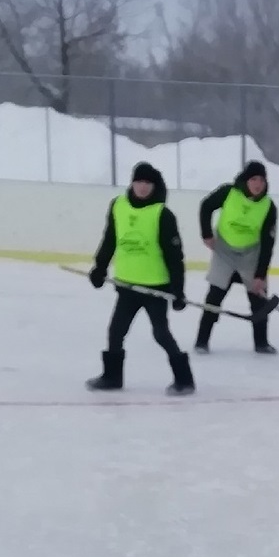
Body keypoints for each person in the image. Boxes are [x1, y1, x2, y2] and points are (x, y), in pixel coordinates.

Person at [84, 161, 194, 396]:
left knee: (161, 334)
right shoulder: (118, 206)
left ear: (155, 186)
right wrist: (100, 267)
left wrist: (178, 289)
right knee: (116, 331)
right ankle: (112, 377)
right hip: (127, 284)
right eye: (139, 182)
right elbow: (110, 239)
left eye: (147, 183)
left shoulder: (163, 215)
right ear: (132, 183)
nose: (142, 187)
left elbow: (175, 256)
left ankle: (184, 379)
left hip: (155, 286)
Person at [196, 160, 278, 355]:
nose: (258, 184)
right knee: (214, 296)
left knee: (258, 299)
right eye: (254, 179)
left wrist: (260, 275)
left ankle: (261, 343)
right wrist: (207, 234)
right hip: (224, 252)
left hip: (251, 254)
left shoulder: (269, 206)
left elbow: (268, 243)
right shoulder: (228, 192)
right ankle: (202, 341)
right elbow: (206, 206)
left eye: (262, 180)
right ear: (246, 180)